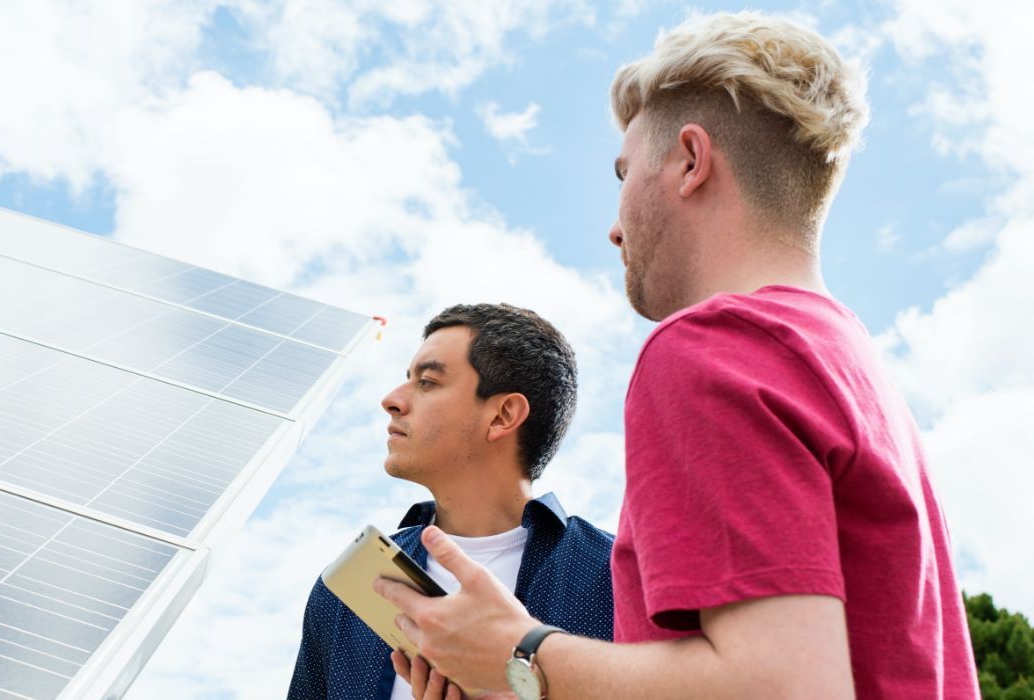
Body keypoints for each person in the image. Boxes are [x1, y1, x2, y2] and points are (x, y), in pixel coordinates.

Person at [375, 11, 978, 699]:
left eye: (624, 174)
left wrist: (519, 655)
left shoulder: (712, 348)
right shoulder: (849, 365)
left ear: (690, 161)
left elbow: (783, 688)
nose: (613, 227)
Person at [287, 303, 615, 700]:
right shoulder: (341, 595)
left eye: (427, 382)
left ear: (502, 415)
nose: (391, 399)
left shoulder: (617, 580)